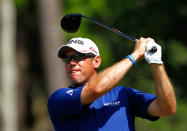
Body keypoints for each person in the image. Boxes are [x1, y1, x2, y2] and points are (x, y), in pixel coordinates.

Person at [47, 37, 176, 131]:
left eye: (79, 56)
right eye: (68, 59)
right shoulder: (59, 98)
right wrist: (135, 55)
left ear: (96, 61)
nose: (72, 62)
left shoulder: (123, 94)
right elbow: (95, 89)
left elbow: (167, 108)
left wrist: (156, 63)